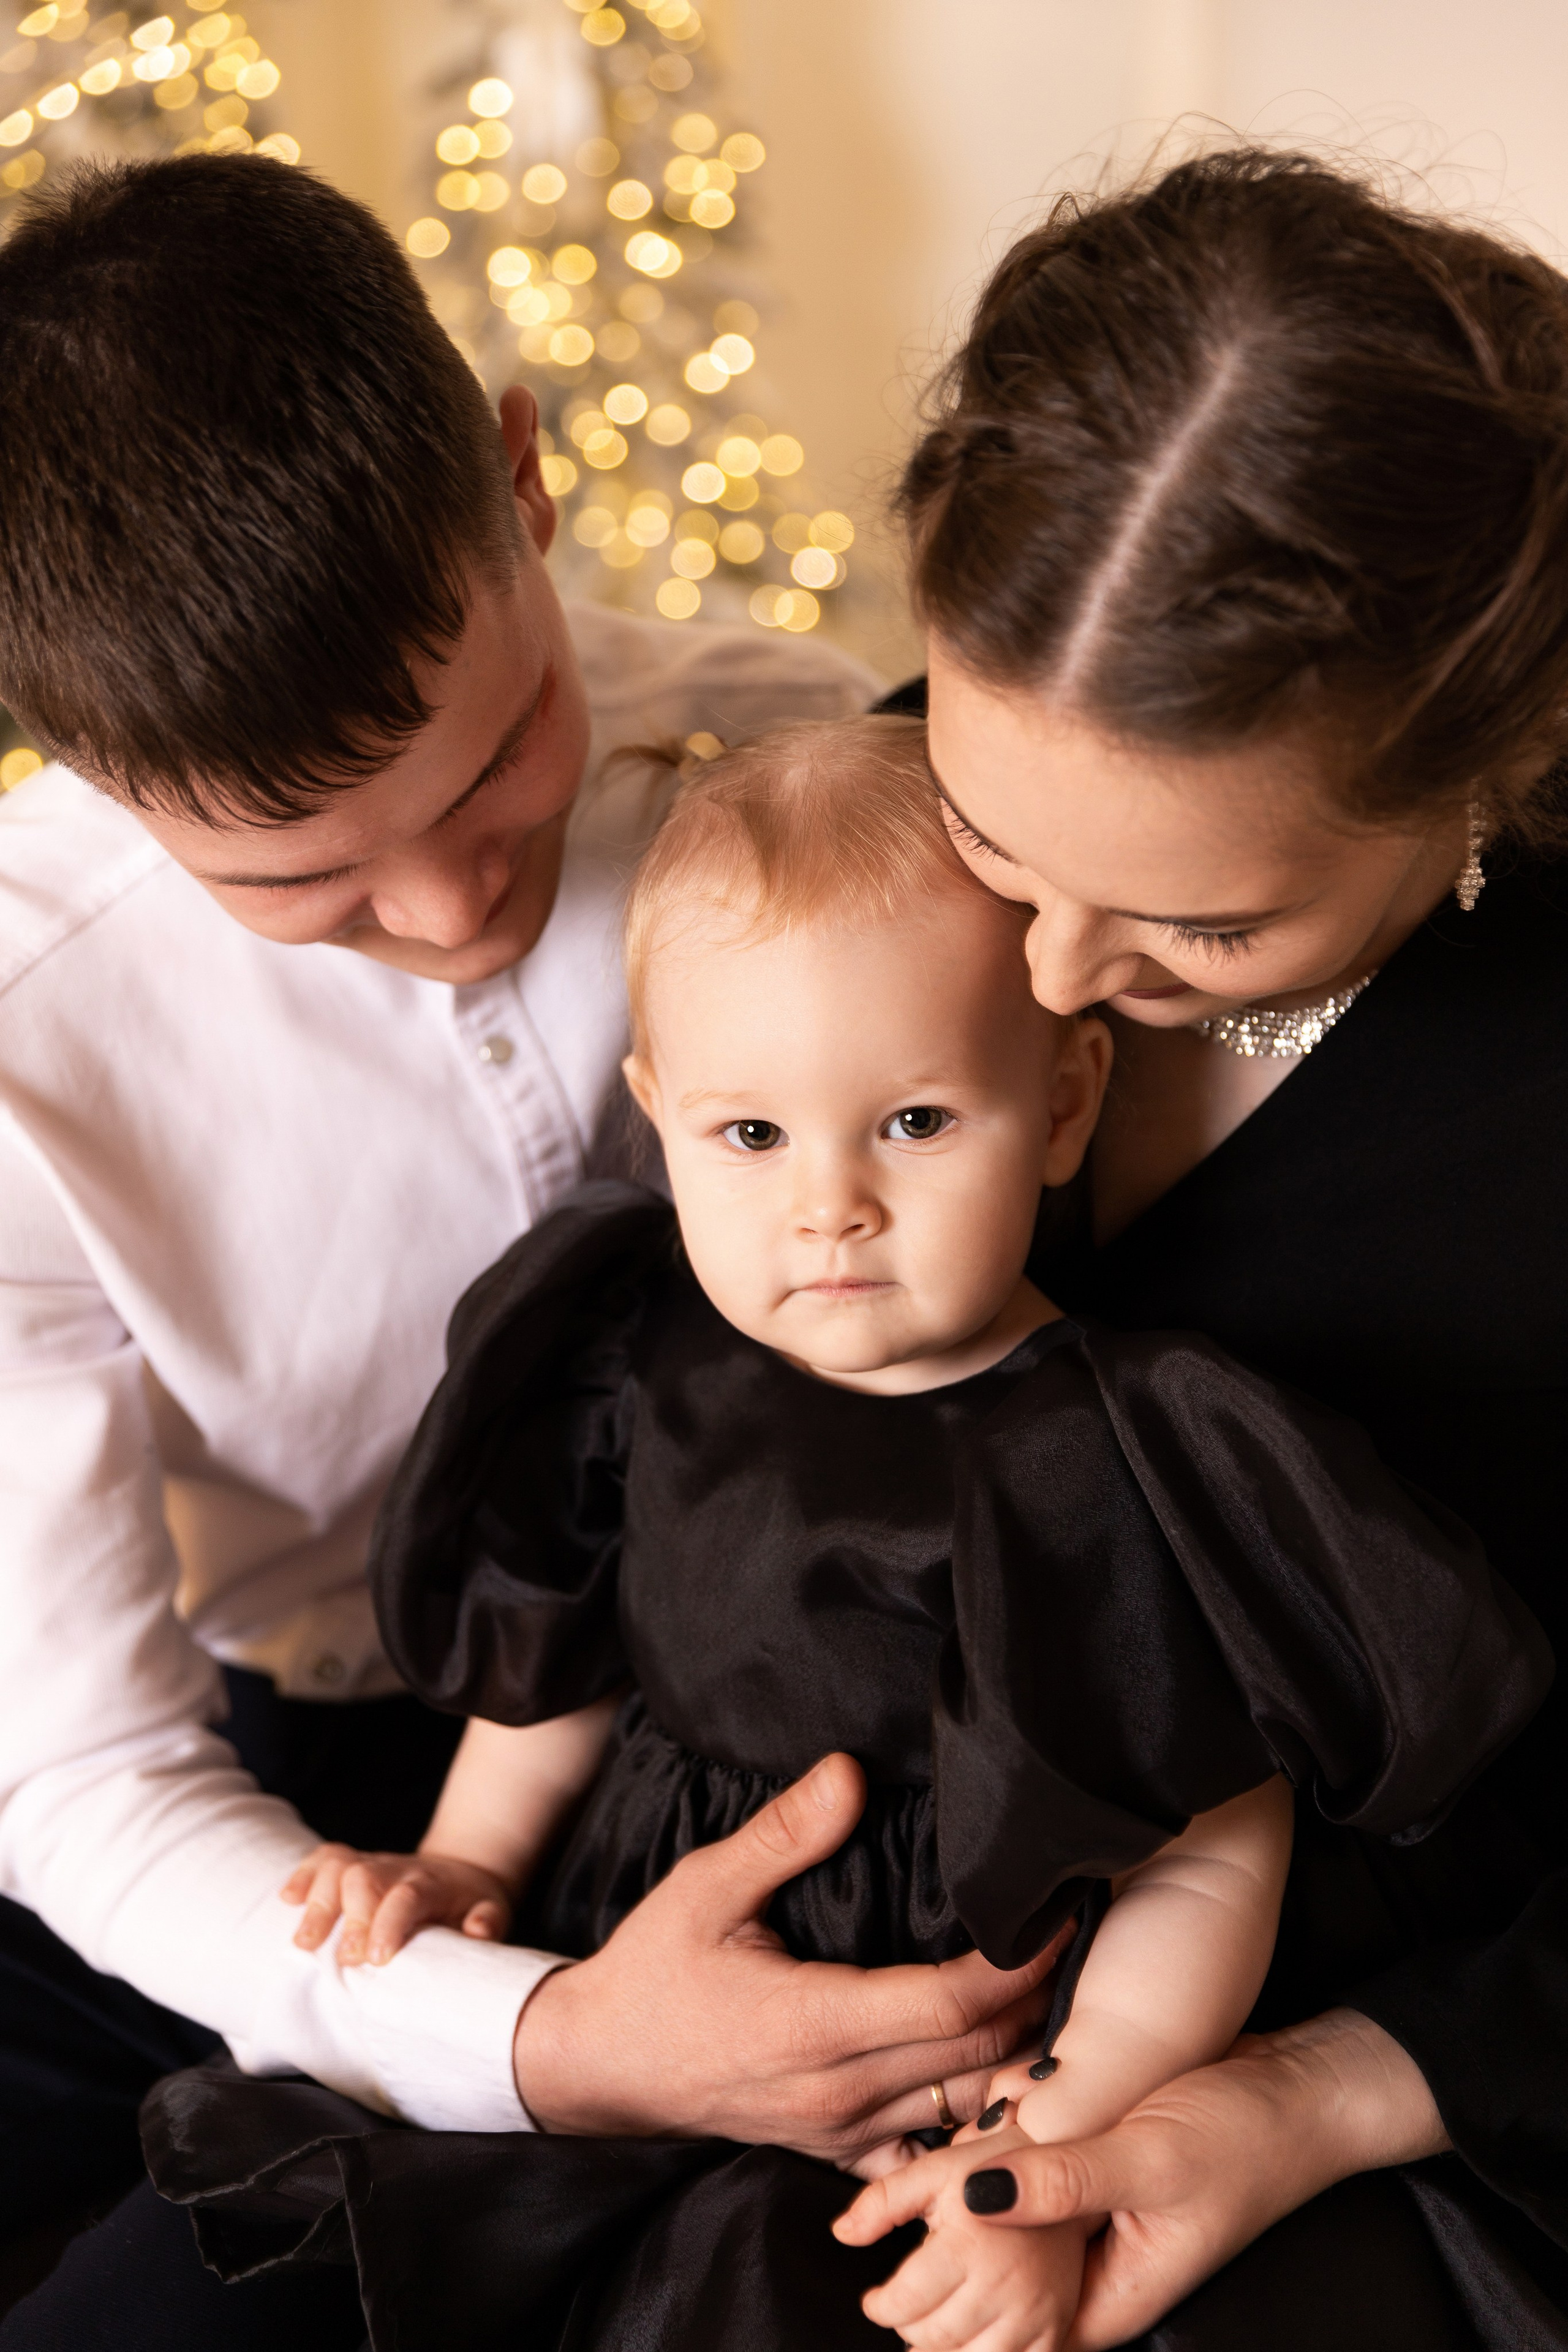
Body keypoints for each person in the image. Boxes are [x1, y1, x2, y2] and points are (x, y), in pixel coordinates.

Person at [0, 157, 1052, 2346]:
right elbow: (84, 1773)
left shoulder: (786, 754)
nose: (458, 911)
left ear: (521, 471)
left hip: (766, 1715)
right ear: (91, 767)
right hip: (284, 1800)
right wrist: (548, 2036)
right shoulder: (25, 1050)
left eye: (502, 771)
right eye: (307, 885)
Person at [138, 718, 1547, 2352]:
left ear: (1066, 1103)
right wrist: (467, 1858)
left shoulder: (1131, 1446)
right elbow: (564, 1667)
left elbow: (1216, 1841)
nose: (832, 1206)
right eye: (752, 1138)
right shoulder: (632, 1353)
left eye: (918, 1124)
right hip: (639, 1962)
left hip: (974, 2059)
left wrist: (1063, 2125)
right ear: (658, 1119)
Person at [837, 146, 1568, 2348]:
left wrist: (1320, 2099)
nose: (1050, 964)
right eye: (991, 825)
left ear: (1488, 769)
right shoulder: (845, 841)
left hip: (1425, 2051)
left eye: (1207, 925)